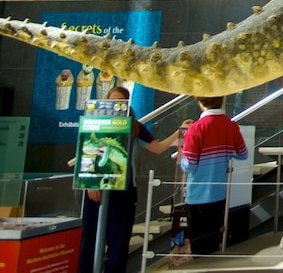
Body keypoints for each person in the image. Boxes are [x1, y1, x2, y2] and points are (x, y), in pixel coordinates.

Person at [78, 85, 191, 273]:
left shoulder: (134, 127)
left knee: (119, 241)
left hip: (123, 191)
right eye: (111, 102)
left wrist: (180, 131)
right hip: (96, 191)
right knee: (90, 239)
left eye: (119, 103)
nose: (114, 107)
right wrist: (91, 183)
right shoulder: (94, 123)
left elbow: (159, 147)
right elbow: (87, 152)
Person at [180, 95, 248, 256]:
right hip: (220, 192)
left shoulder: (196, 128)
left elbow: (189, 166)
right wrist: (225, 151)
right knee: (212, 243)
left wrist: (182, 156)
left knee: (198, 245)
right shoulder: (230, 125)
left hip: (197, 194)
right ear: (222, 100)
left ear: (199, 101)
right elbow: (243, 154)